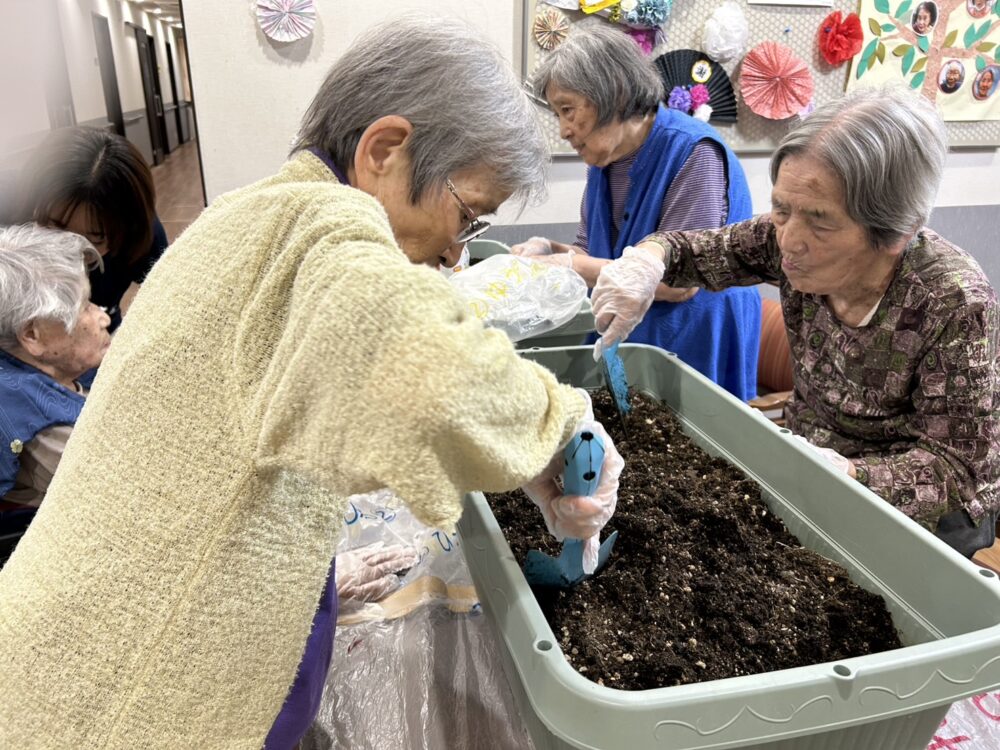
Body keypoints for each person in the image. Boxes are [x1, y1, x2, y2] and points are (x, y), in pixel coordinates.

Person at [0, 17, 622, 750]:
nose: (457, 250)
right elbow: (430, 367)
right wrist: (561, 428)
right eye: (466, 214)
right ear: (385, 149)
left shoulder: (246, 212)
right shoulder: (320, 231)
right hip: (123, 704)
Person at [589, 85, 999, 559]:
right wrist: (647, 260)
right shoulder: (784, 232)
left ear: (895, 232)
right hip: (811, 464)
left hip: (915, 512)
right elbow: (694, 252)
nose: (789, 241)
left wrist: (849, 474)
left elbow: (956, 467)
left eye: (821, 222)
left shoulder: (952, 300)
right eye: (782, 208)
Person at [512, 21, 760, 401]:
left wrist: (573, 266)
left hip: (691, 338)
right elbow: (590, 250)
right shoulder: (605, 159)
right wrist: (550, 250)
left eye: (567, 110)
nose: (563, 130)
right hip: (632, 332)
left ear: (615, 93)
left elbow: (678, 284)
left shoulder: (694, 153)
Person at [0, 225, 110, 559]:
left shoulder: (26, 368)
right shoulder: (48, 429)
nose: (103, 316)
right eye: (85, 307)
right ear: (32, 335)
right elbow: (132, 498)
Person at [4, 127, 167, 329]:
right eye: (54, 228)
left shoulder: (143, 235)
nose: (69, 251)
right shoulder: (8, 200)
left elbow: (169, 303)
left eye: (95, 239)